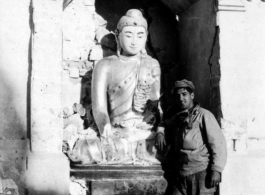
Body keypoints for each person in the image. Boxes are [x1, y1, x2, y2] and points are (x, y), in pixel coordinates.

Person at [86, 9, 162, 164]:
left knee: (166, 145)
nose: (134, 41)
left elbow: (158, 105)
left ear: (146, 37)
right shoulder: (104, 65)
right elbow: (99, 108)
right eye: (128, 35)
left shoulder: (151, 64)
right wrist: (106, 129)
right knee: (87, 150)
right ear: (117, 35)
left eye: (140, 35)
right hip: (116, 133)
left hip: (143, 133)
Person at [156, 79, 227, 195]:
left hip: (201, 173)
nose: (181, 98)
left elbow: (218, 144)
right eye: (178, 96)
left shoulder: (204, 115)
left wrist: (217, 170)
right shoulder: (179, 117)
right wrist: (160, 132)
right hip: (182, 173)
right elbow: (164, 123)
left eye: (184, 94)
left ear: (192, 95)